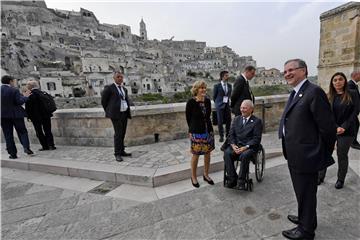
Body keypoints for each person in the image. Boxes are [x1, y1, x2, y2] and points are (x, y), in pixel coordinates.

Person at [279, 59, 336, 240]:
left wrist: (321, 152)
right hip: (296, 154)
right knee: (302, 191)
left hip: (306, 155)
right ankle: (307, 219)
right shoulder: (297, 92)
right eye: (285, 71)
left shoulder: (314, 92)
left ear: (303, 71)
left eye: (291, 70)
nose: (287, 73)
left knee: (306, 192)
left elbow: (327, 128)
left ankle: (306, 231)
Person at [318, 72, 359, 189]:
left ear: (345, 81)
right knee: (325, 152)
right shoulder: (329, 96)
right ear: (332, 82)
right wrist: (335, 127)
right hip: (332, 129)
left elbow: (355, 112)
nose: (337, 82)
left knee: (341, 154)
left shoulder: (353, 93)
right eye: (335, 80)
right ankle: (320, 176)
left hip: (348, 129)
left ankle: (340, 179)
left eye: (340, 79)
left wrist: (344, 127)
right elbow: (327, 114)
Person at [223, 100, 262, 190]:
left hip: (249, 147)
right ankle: (233, 179)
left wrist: (245, 147)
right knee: (227, 153)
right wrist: (233, 145)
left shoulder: (257, 122)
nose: (242, 110)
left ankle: (241, 181)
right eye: (241, 108)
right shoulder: (236, 119)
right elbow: (231, 134)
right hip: (236, 146)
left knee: (245, 155)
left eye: (244, 108)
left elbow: (256, 139)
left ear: (251, 109)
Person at [186, 80, 215, 188]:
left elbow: (208, 116)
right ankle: (193, 177)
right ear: (196, 89)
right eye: (201, 88)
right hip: (196, 132)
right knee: (196, 155)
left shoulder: (207, 101)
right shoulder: (191, 102)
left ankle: (206, 175)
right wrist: (191, 131)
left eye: (204, 88)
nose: (203, 90)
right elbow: (188, 118)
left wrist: (210, 130)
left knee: (207, 154)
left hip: (208, 131)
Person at [101, 72, 132, 162]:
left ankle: (122, 151)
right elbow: (104, 101)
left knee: (123, 133)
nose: (120, 78)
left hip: (124, 113)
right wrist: (109, 111)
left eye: (121, 77)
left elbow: (125, 100)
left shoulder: (124, 89)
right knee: (118, 134)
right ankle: (117, 153)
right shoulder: (109, 88)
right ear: (114, 78)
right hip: (115, 115)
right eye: (118, 77)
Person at [1, 75, 34, 158]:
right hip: (16, 115)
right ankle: (26, 148)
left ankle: (12, 154)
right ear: (10, 81)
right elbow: (19, 101)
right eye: (13, 81)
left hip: (3, 116)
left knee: (8, 134)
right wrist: (25, 97)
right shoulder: (14, 90)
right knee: (22, 132)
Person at [25, 80, 56, 151]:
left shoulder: (30, 95)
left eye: (27, 85)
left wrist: (28, 117)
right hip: (46, 115)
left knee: (39, 131)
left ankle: (45, 146)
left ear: (30, 86)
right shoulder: (43, 93)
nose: (26, 86)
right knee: (48, 130)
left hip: (36, 117)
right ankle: (51, 145)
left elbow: (28, 108)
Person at [213, 70, 232, 142]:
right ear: (222, 77)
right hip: (219, 106)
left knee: (228, 121)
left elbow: (229, 95)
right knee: (220, 121)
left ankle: (228, 135)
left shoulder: (230, 85)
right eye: (226, 75)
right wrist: (218, 103)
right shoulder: (217, 86)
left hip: (227, 105)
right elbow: (214, 97)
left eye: (228, 75)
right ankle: (221, 136)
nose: (228, 77)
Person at [348, 71, 360, 150]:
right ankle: (353, 142)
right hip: (351, 110)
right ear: (355, 75)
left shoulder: (354, 84)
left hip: (353, 111)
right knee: (355, 125)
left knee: (356, 124)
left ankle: (353, 141)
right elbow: (351, 98)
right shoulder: (350, 84)